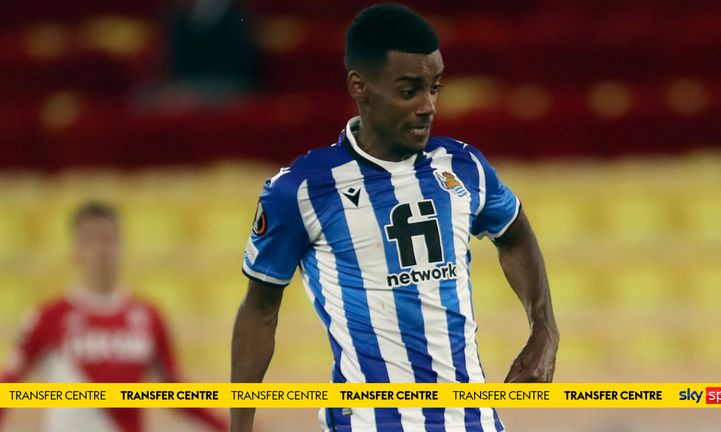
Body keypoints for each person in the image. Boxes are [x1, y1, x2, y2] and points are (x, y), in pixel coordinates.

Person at [231, 4, 558, 431]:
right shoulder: (302, 189)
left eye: (434, 88)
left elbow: (514, 234)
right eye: (410, 91)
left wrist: (543, 329)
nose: (428, 106)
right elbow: (259, 311)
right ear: (360, 87)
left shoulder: (462, 166)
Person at [0, 201, 226, 432]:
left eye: (108, 238)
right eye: (91, 240)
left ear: (121, 245)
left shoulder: (148, 316)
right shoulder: (48, 317)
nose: (102, 250)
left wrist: (227, 425)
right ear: (75, 250)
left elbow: (174, 389)